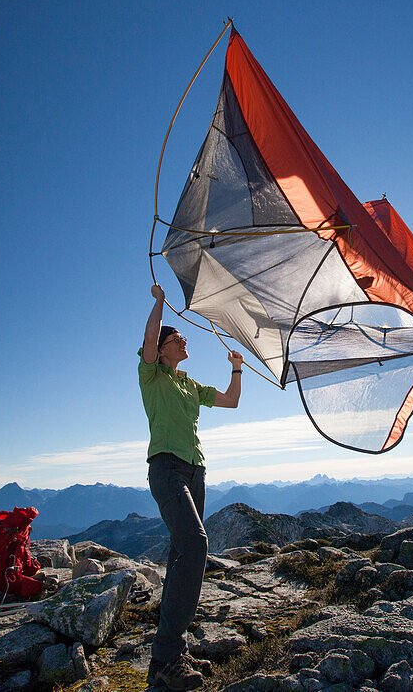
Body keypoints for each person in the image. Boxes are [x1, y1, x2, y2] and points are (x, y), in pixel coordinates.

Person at [140, 284, 242, 690]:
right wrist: (160, 303)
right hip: (166, 469)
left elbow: (232, 401)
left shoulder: (190, 385)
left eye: (181, 336)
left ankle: (167, 658)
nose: (184, 338)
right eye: (176, 337)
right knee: (196, 545)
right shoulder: (151, 373)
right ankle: (167, 656)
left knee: (183, 554)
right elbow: (148, 340)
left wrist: (236, 367)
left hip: (196, 472)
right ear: (163, 349)